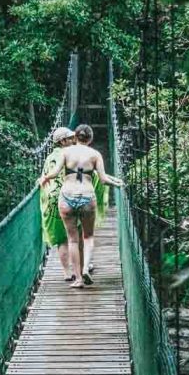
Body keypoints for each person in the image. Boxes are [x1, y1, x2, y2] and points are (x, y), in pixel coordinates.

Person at [37, 123, 123, 289]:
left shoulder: (66, 152)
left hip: (66, 197)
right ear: (90, 138)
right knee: (88, 237)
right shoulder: (95, 154)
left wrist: (44, 178)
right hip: (86, 197)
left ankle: (78, 279)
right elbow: (104, 179)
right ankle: (85, 268)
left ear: (75, 137)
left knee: (72, 240)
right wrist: (118, 183)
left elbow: (54, 173)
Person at [39, 127, 75, 280]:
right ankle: (81, 266)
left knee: (61, 238)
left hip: (52, 201)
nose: (74, 140)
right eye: (70, 138)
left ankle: (67, 272)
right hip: (68, 196)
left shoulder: (49, 158)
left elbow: (46, 176)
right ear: (62, 141)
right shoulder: (70, 154)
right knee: (75, 234)